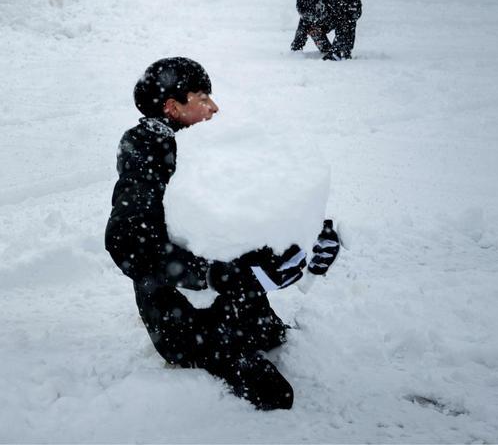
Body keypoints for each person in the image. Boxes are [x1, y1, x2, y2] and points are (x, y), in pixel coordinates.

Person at [104, 57, 341, 410]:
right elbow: (128, 244)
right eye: (203, 98)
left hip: (242, 303)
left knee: (273, 338)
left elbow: (263, 204)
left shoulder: (213, 145)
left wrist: (310, 234)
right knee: (277, 397)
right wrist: (215, 274)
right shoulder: (148, 151)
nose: (215, 107)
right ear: (173, 107)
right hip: (181, 317)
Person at [290, 0, 362, 61]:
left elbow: (344, 31)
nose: (310, 19)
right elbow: (301, 30)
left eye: (312, 15)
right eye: (306, 16)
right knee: (312, 29)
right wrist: (296, 49)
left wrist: (336, 52)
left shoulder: (338, 3)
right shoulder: (306, 8)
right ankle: (326, 50)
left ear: (319, 5)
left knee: (347, 23)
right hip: (326, 20)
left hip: (344, 13)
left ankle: (342, 52)